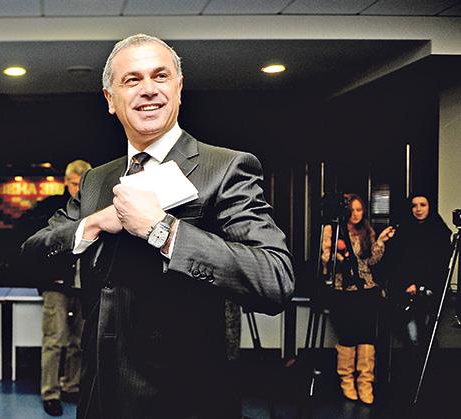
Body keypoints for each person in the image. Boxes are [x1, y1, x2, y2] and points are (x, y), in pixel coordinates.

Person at [22, 34, 295, 419]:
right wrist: (94, 223)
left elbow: (274, 280)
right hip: (99, 399)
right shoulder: (96, 181)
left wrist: (163, 230)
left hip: (185, 401)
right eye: (132, 79)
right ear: (110, 99)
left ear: (179, 89)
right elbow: (32, 256)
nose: (148, 89)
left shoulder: (225, 168)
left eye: (160, 76)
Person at [19, 160, 92, 417]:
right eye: (74, 183)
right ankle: (50, 393)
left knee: (79, 342)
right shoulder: (52, 208)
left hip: (84, 284)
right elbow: (33, 241)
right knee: (54, 340)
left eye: (82, 184)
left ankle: (71, 385)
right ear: (66, 182)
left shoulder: (94, 206)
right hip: (56, 284)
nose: (78, 189)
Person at [321, 194, 394, 405]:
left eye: (359, 210)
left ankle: (365, 383)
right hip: (343, 290)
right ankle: (347, 382)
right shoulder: (334, 230)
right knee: (348, 336)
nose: (355, 214)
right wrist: (337, 254)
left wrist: (381, 241)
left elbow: (371, 260)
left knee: (367, 337)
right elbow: (325, 259)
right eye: (351, 210)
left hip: (366, 290)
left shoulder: (366, 230)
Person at [388, 194, 451, 348]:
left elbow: (441, 263)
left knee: (428, 336)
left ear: (430, 207)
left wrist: (421, 284)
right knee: (411, 338)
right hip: (407, 290)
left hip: (431, 289)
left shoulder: (440, 231)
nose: (418, 209)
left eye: (423, 205)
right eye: (414, 205)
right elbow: (396, 262)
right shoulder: (403, 230)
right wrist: (407, 284)